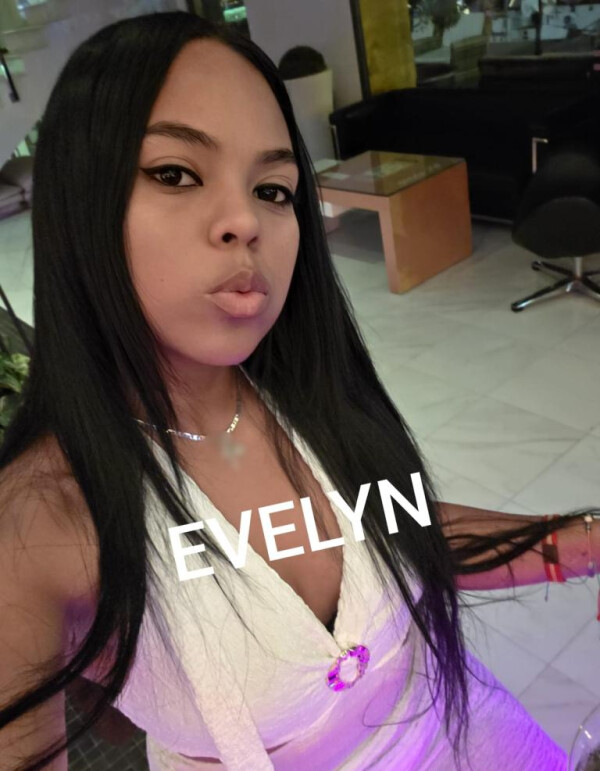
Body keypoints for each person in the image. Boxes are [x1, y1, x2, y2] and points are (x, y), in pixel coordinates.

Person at [0, 11, 598, 771]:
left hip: (480, 736)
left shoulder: (297, 386)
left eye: (273, 189)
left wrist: (581, 540)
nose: (244, 220)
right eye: (176, 173)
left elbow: (392, 527)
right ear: (77, 200)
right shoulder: (36, 522)